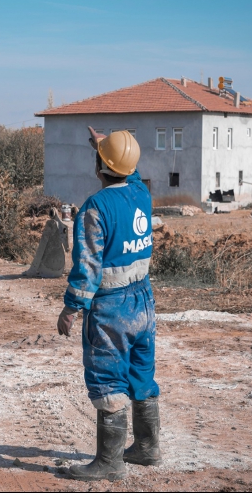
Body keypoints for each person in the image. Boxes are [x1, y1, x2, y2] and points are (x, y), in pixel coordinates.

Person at [57, 127, 161, 482]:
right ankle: (147, 447)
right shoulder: (141, 192)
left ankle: (110, 462)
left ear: (100, 164)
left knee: (107, 378)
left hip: (111, 306)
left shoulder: (95, 208)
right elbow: (125, 170)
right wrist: (106, 147)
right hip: (143, 300)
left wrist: (71, 308)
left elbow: (87, 267)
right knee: (140, 372)